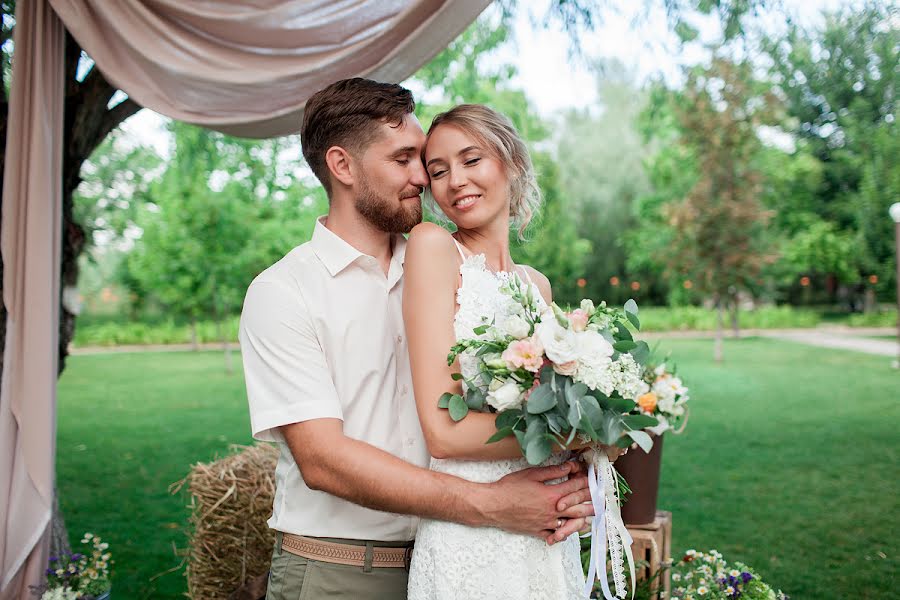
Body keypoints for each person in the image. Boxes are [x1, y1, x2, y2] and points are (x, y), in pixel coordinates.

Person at [239, 78, 594, 600]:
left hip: (460, 552)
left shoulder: (453, 264)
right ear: (342, 166)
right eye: (406, 160)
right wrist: (491, 502)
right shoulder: (283, 293)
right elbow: (322, 459)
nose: (423, 179)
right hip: (340, 570)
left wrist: (574, 463)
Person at [403, 104, 593, 599]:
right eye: (438, 170)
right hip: (471, 528)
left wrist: (585, 457)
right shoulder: (432, 248)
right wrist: (573, 436)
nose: (454, 181)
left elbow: (549, 405)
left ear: (511, 163)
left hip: (543, 523)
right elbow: (443, 432)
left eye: (471, 160)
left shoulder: (538, 287)